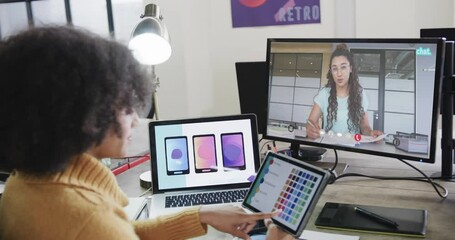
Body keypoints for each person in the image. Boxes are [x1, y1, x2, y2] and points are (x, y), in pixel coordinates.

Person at [0, 26, 294, 240]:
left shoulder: (22, 183)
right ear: (82, 113)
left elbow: (123, 233)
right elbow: (104, 231)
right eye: (126, 107)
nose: (136, 121)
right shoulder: (86, 218)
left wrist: (201, 215)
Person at [306, 43, 383, 140]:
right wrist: (310, 128)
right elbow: (311, 121)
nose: (339, 73)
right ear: (331, 71)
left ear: (350, 68)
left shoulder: (359, 93)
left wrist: (371, 132)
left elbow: (365, 127)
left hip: (353, 149)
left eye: (343, 67)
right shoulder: (324, 93)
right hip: (329, 148)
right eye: (335, 69)